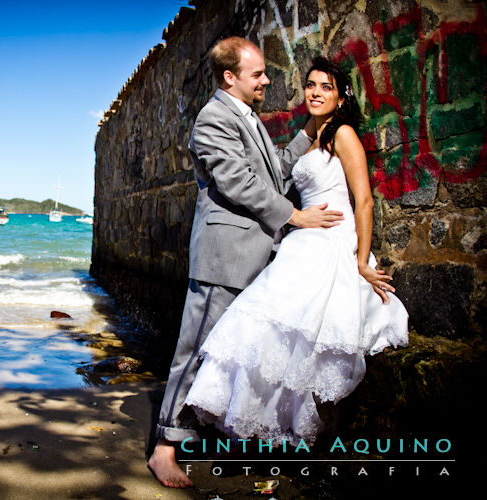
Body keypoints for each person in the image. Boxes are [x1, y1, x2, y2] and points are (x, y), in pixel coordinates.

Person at [147, 37, 345, 488]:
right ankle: (163, 449)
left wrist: (310, 132)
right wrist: (295, 216)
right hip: (224, 258)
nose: (266, 80)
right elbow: (236, 182)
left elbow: (273, 171)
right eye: (257, 74)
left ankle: (199, 435)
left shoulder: (248, 117)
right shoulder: (213, 118)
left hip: (254, 257)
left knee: (227, 355)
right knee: (195, 352)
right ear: (230, 77)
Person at [183, 56, 409, 447]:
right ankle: (267, 425)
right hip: (301, 242)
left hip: (332, 242)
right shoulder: (312, 135)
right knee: (266, 326)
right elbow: (282, 170)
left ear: (342, 99)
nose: (316, 92)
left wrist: (359, 260)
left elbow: (364, 202)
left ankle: (309, 432)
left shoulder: (344, 136)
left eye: (327, 87)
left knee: (306, 334)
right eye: (311, 85)